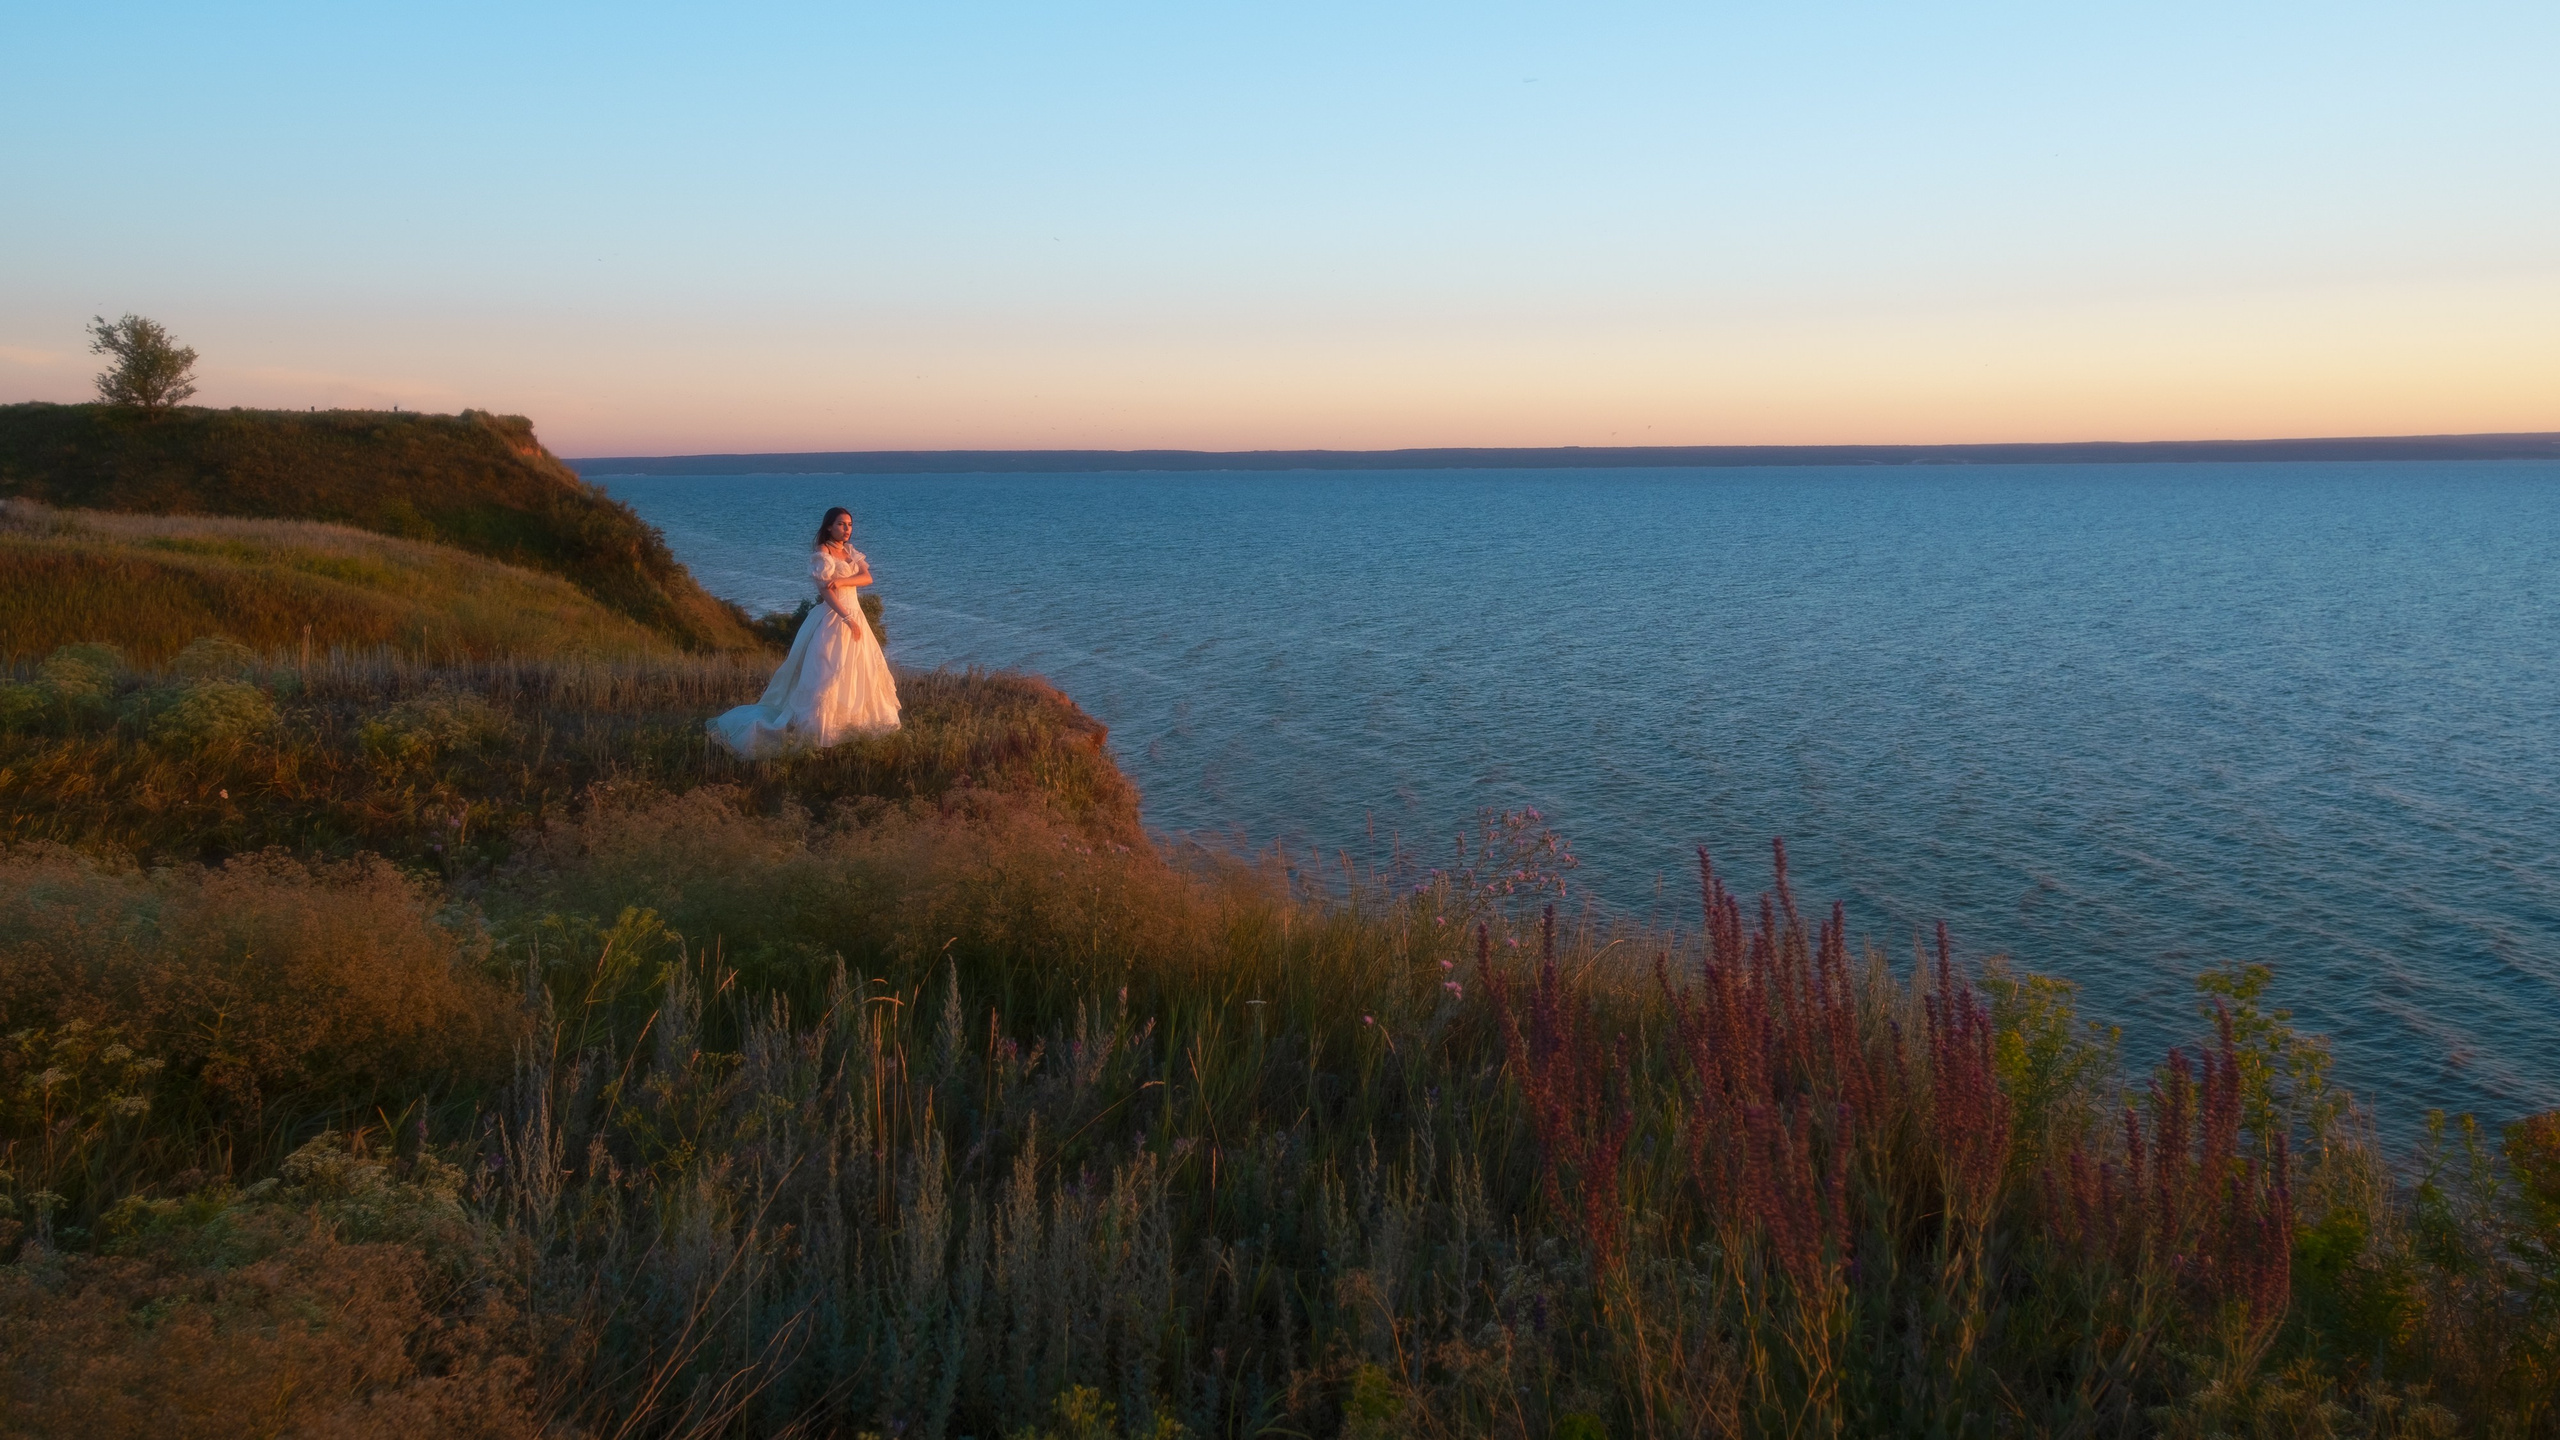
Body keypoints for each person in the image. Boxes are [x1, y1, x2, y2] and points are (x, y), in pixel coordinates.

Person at [709, 506, 901, 756]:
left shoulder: (850, 552)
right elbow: (825, 591)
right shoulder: (823, 553)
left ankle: (851, 729)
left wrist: (842, 581)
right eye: (841, 524)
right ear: (829, 526)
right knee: (826, 674)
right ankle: (818, 732)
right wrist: (846, 618)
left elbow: (867, 578)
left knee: (858, 672)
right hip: (835, 617)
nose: (847, 529)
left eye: (850, 525)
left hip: (856, 614)